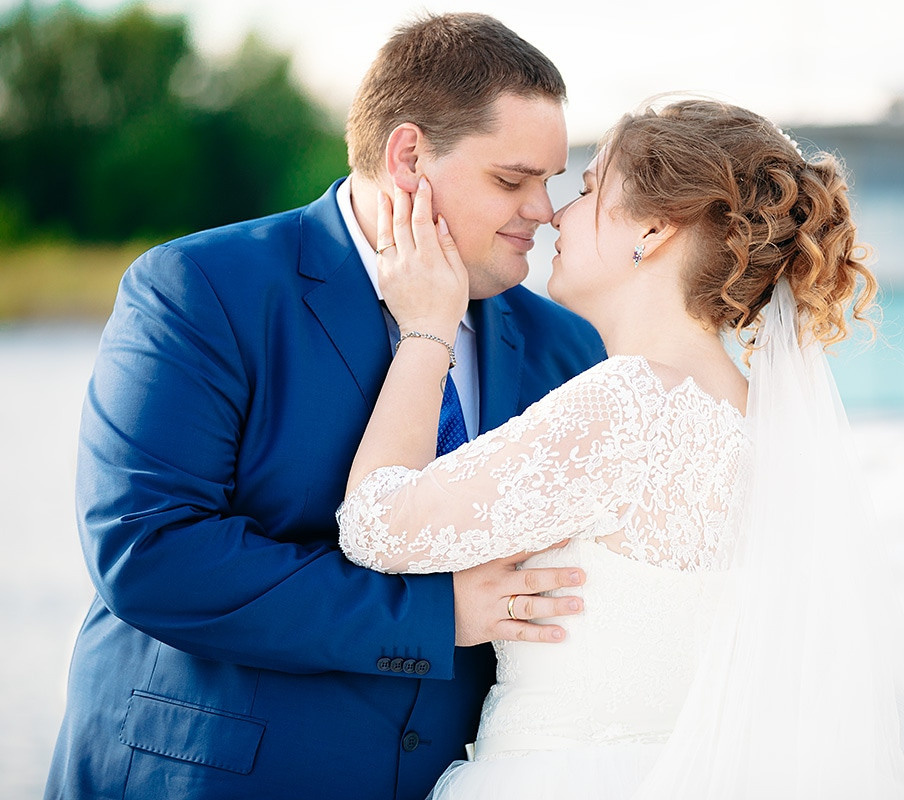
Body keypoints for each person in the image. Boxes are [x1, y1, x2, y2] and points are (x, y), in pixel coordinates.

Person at [44, 13, 605, 800]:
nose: (542, 211)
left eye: (549, 181)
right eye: (511, 181)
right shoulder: (201, 290)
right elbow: (149, 553)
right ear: (408, 157)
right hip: (205, 777)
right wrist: (434, 615)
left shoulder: (567, 350)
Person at [337, 98, 904, 798]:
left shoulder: (630, 404)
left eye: (591, 189)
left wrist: (426, 328)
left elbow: (375, 525)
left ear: (655, 229)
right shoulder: (763, 425)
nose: (554, 215)